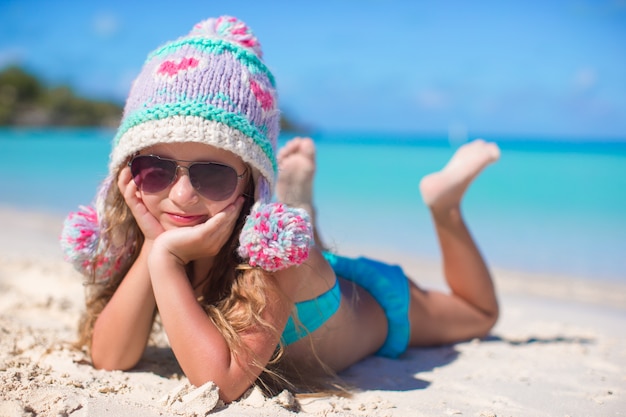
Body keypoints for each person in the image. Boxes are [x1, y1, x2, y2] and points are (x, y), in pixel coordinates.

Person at [60, 16, 499, 403]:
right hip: (317, 278)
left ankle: (445, 208)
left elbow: (221, 382)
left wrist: (166, 259)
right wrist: (154, 245)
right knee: (311, 248)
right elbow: (110, 357)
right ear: (126, 173)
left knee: (479, 314)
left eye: (211, 175)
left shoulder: (273, 253)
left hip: (371, 304)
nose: (181, 197)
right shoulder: (158, 234)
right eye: (155, 170)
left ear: (253, 183)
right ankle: (304, 205)